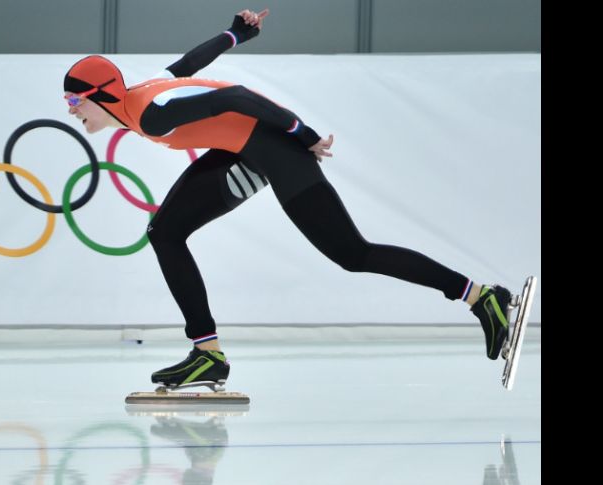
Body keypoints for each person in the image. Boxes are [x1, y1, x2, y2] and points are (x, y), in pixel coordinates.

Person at [63, 8, 515, 390]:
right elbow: (186, 65)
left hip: (277, 152)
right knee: (165, 232)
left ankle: (479, 296)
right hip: (238, 152)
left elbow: (238, 98)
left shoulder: (152, 116)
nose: (71, 111)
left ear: (99, 96)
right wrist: (235, 33)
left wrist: (305, 135)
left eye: (73, 101)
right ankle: (207, 354)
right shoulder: (140, 94)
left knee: (352, 253)